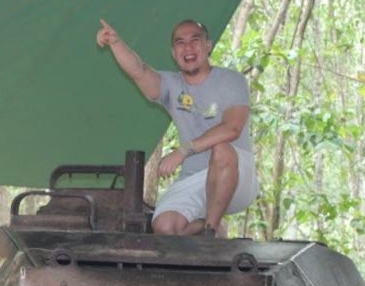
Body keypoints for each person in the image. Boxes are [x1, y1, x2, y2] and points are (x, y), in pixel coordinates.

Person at [96, 18, 258, 236]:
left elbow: (232, 129)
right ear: (174, 53)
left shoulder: (231, 81)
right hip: (195, 177)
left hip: (236, 176)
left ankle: (210, 231)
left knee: (222, 149)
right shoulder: (171, 85)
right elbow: (139, 71)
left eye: (195, 40)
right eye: (180, 42)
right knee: (165, 227)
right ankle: (212, 227)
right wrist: (115, 42)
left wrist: (183, 150)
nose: (188, 47)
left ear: (208, 46)